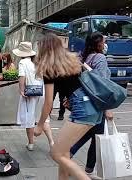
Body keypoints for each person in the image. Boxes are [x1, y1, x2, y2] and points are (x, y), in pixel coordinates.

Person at [34, 33, 103, 180]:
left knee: (56, 153)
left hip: (82, 108)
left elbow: (48, 103)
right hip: (92, 106)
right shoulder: (73, 61)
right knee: (64, 152)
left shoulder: (49, 68)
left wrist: (40, 125)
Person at [70, 32, 113, 179]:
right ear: (98, 44)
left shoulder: (85, 57)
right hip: (97, 104)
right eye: (104, 41)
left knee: (94, 134)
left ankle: (84, 165)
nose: (106, 43)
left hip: (86, 101)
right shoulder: (100, 58)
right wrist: (107, 108)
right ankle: (69, 156)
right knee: (93, 135)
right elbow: (103, 85)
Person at [14, 42, 54, 151]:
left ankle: (31, 143)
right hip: (41, 92)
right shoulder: (37, 62)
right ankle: (51, 141)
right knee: (43, 117)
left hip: (30, 93)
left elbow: (22, 77)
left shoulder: (23, 62)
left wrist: (21, 90)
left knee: (29, 117)